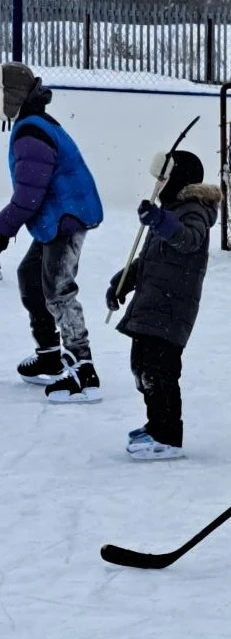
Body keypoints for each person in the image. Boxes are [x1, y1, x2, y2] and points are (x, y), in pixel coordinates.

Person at [105, 150, 220, 460]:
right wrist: (123, 282)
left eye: (163, 178)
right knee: (142, 367)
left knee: (160, 372)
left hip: (172, 308)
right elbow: (149, 260)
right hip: (152, 302)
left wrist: (161, 221)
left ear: (178, 180)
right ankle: (156, 423)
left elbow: (187, 240)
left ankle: (167, 434)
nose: (157, 185)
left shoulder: (193, 212)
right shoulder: (171, 209)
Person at [0, 61, 104, 402]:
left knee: (59, 291)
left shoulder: (31, 131)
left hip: (66, 217)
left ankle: (82, 370)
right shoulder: (32, 123)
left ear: (11, 96)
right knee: (30, 277)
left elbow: (29, 194)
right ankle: (49, 354)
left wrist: (2, 230)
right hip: (58, 215)